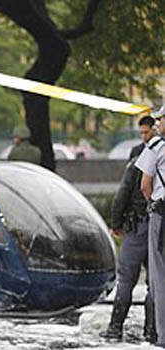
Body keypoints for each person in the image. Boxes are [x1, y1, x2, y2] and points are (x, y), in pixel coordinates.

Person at [100, 115, 156, 342]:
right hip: (156, 227)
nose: (144, 137)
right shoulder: (160, 158)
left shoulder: (136, 161)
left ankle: (115, 328)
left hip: (135, 228)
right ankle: (152, 331)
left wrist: (116, 223)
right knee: (155, 282)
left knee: (126, 280)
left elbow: (122, 195)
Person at [135, 103, 165, 348]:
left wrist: (151, 203)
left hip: (161, 215)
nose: (158, 124)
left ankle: (162, 337)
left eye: (161, 120)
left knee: (160, 278)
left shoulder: (156, 147)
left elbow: (145, 184)